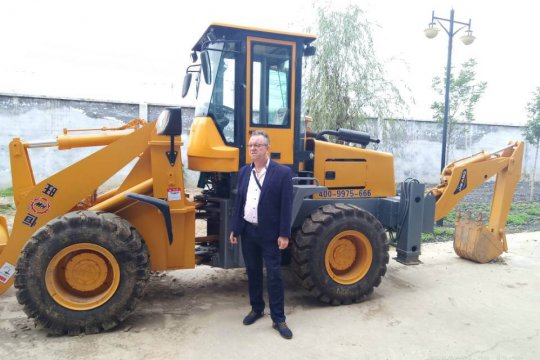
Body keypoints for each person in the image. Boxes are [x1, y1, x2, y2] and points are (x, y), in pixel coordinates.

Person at [229, 130, 294, 340]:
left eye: (257, 145)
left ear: (268, 148)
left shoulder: (282, 173)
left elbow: (286, 207)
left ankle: (279, 318)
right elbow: (240, 203)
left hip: (270, 234)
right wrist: (236, 229)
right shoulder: (243, 172)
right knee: (253, 272)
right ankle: (257, 308)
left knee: (274, 275)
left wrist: (284, 234)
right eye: (250, 145)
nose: (253, 148)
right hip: (248, 231)